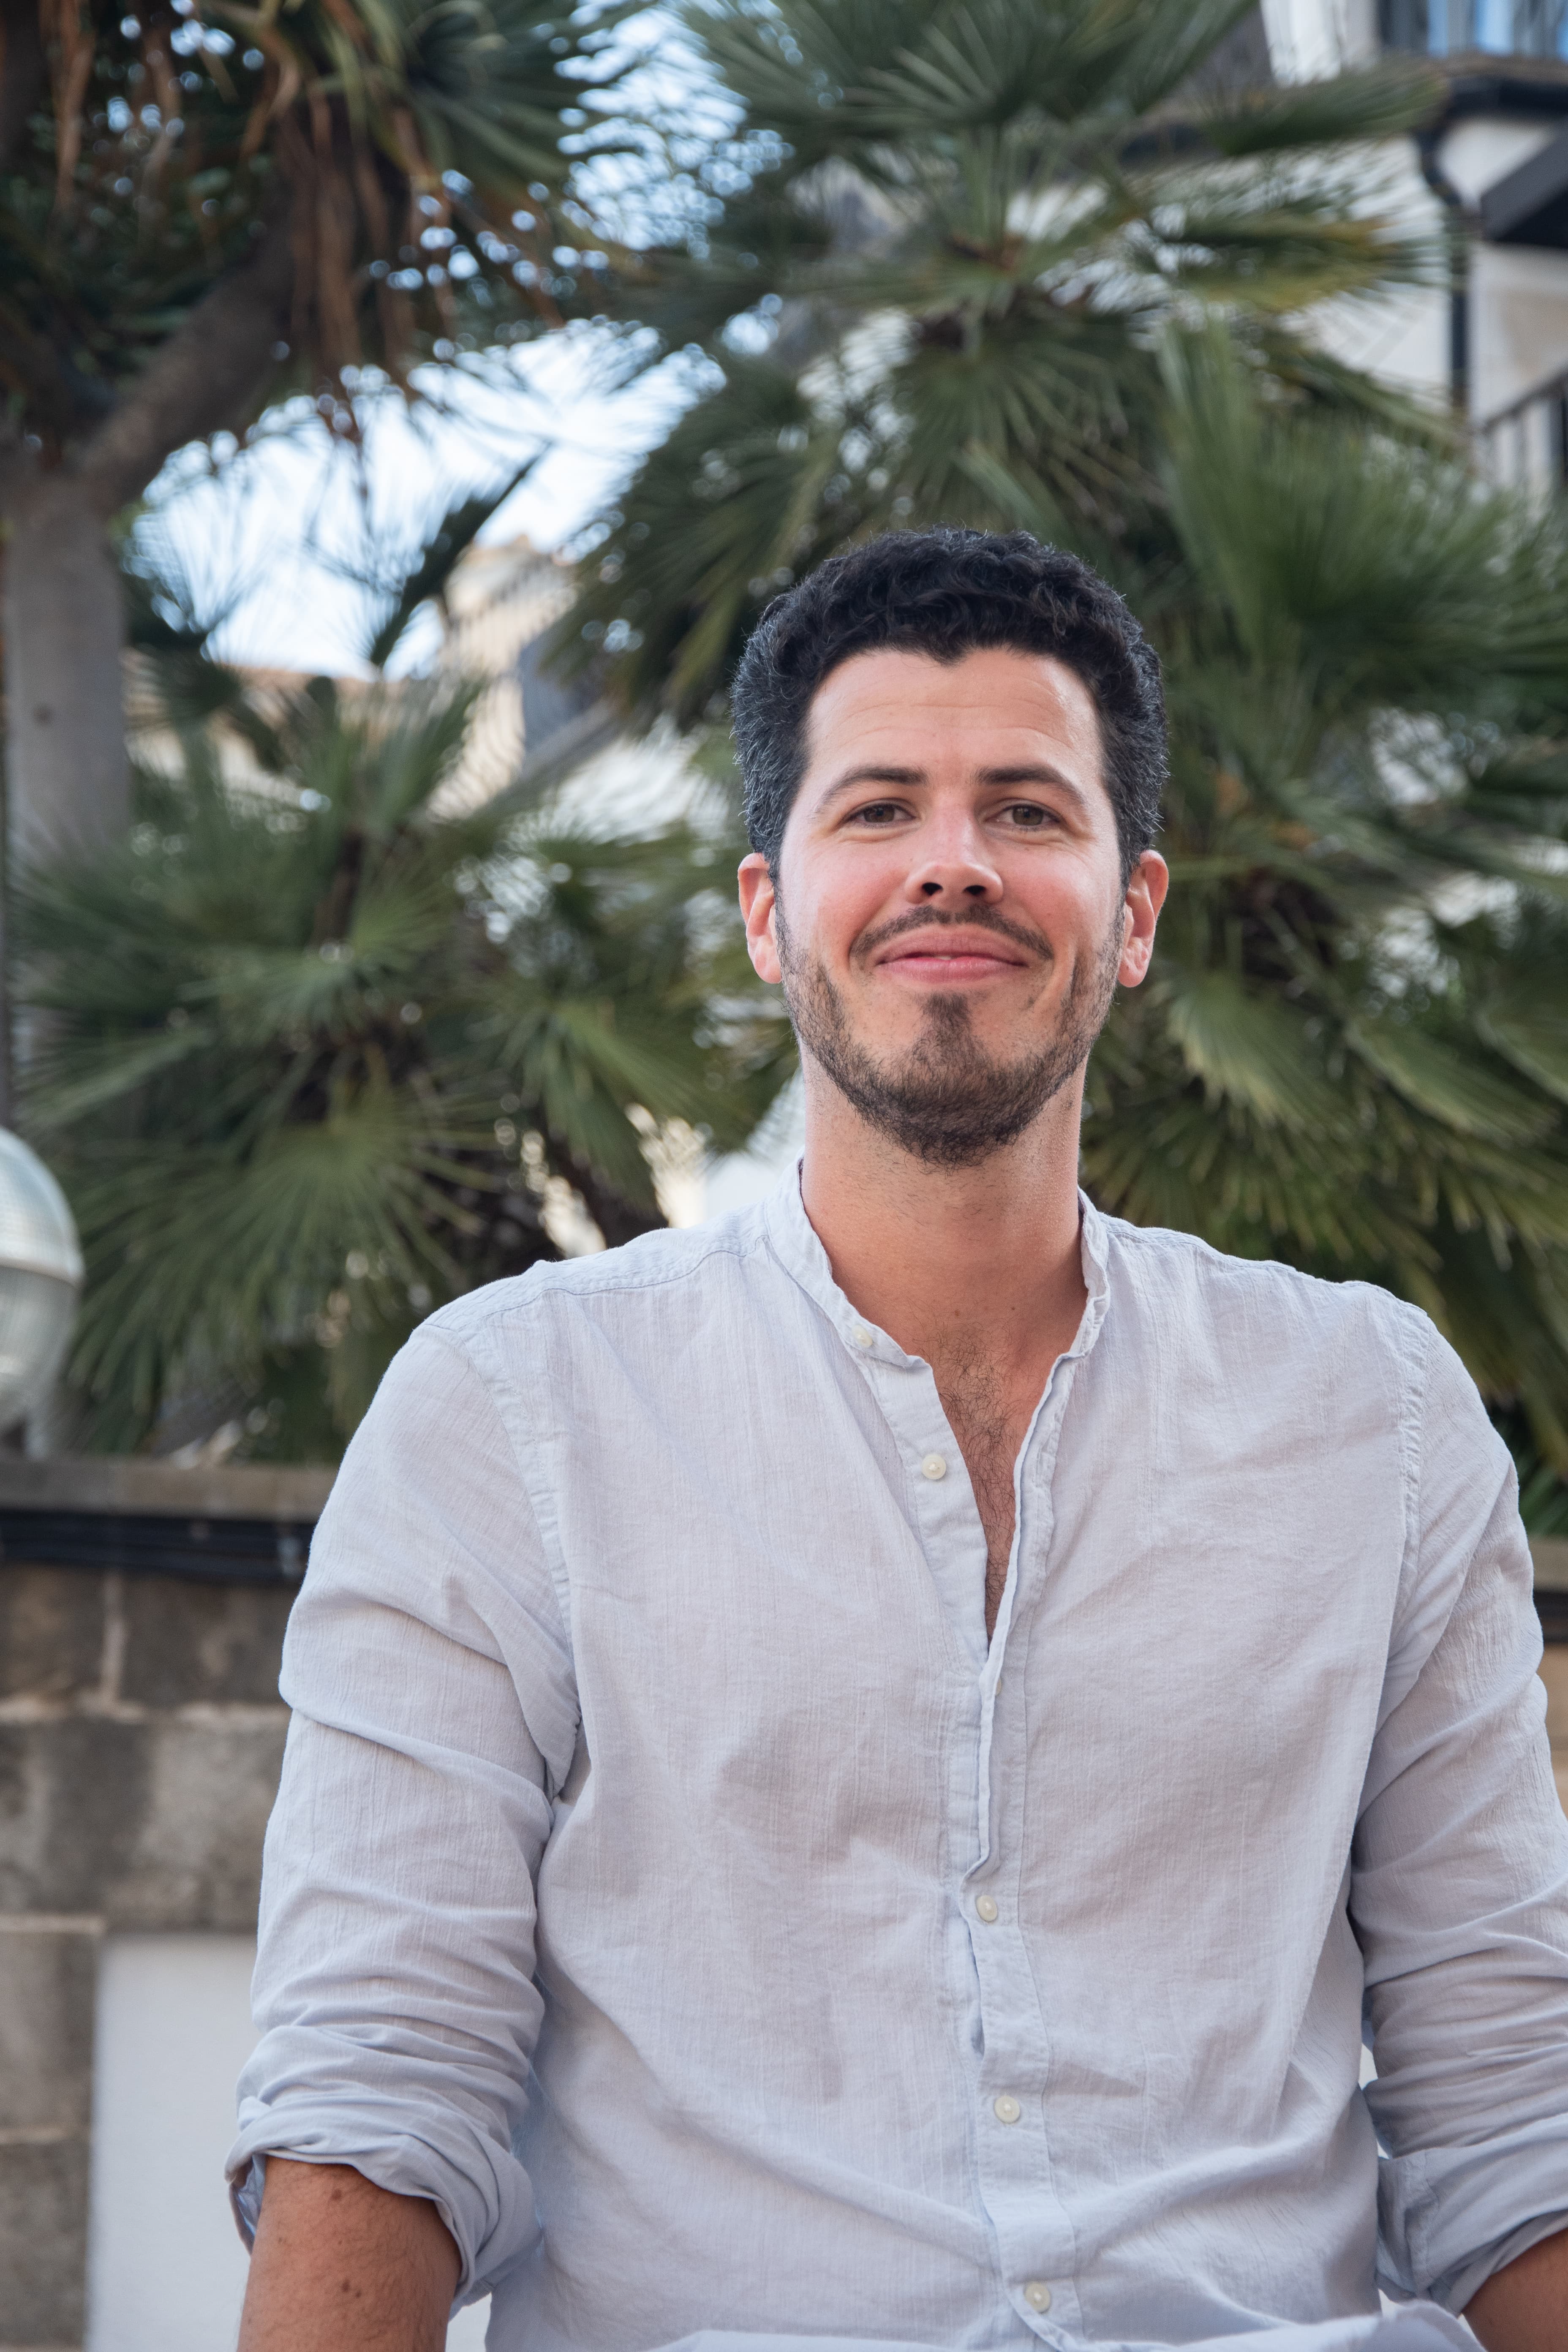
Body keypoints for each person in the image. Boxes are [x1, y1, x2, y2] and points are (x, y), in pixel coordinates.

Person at [229, 529, 1568, 2352]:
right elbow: (378, 2096)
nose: (953, 860)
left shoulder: (1377, 1419)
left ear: (1138, 906)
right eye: (877, 809)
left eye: (1027, 807)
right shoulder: (508, 1413)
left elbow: (1511, 2111)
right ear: (771, 910)